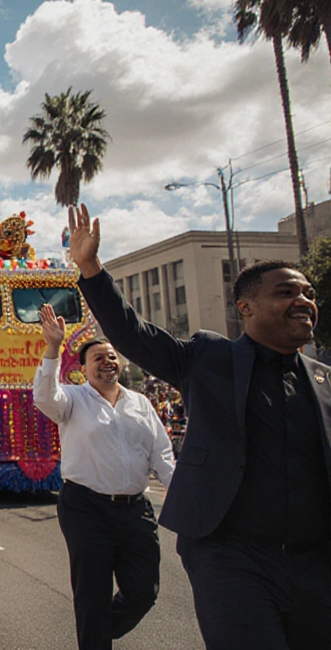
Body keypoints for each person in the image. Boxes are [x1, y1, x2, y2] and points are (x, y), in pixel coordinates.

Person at [68, 204, 331, 649]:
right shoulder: (209, 360)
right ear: (245, 307)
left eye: (308, 293)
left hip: (316, 565)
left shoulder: (325, 382)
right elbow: (133, 334)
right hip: (232, 558)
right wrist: (91, 268)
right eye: (287, 292)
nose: (304, 301)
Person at [32, 307, 175, 649]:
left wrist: (187, 502)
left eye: (111, 356)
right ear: (83, 369)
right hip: (86, 508)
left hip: (135, 510)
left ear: (121, 364)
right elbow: (44, 397)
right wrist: (53, 347)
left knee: (144, 592)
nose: (106, 362)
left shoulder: (140, 403)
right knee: (92, 595)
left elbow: (163, 455)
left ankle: (95, 632)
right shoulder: (72, 399)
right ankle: (94, 635)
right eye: (97, 358)